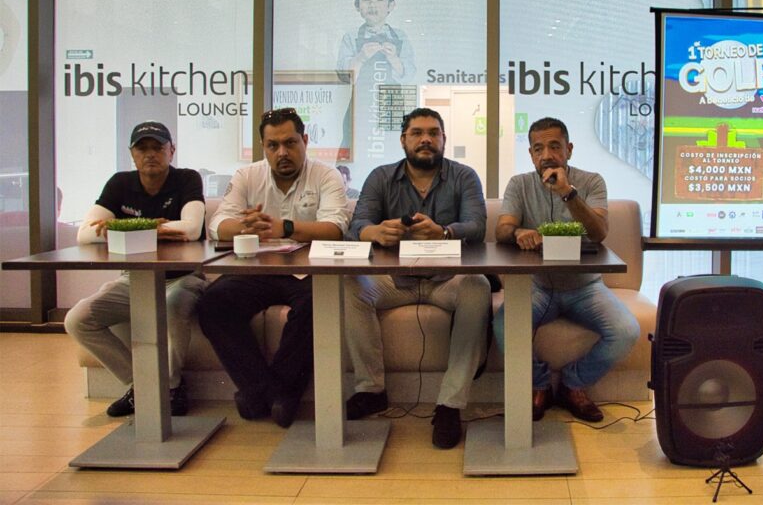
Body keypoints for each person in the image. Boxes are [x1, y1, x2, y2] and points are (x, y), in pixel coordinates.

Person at [343, 107, 488, 449]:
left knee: (478, 286)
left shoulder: (464, 176)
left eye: (433, 133)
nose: (426, 139)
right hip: (395, 280)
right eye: (417, 133)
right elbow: (356, 226)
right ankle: (371, 390)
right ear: (403, 140)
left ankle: (450, 404)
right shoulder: (380, 177)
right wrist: (375, 231)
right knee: (350, 284)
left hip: (447, 279)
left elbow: (478, 227)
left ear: (443, 140)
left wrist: (445, 231)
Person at [197, 108, 349, 428]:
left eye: (291, 142)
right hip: (257, 268)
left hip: (308, 270)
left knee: (317, 303)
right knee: (212, 303)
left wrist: (286, 226)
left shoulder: (326, 175)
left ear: (305, 141)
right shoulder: (247, 176)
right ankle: (263, 389)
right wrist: (242, 226)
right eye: (273, 145)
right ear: (263, 147)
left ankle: (281, 391)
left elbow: (336, 229)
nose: (282, 152)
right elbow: (216, 226)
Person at [493, 117, 639, 423]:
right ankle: (539, 384)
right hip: (537, 287)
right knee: (502, 325)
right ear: (531, 155)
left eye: (554, 146)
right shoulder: (519, 184)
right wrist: (518, 232)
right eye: (538, 148)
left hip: (584, 288)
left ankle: (573, 384)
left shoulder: (591, 181)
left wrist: (568, 192)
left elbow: (598, 233)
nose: (546, 154)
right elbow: (502, 229)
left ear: (568, 150)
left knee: (626, 331)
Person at [64, 121, 206, 418]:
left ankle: (171, 386)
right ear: (132, 153)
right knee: (77, 319)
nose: (150, 154)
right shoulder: (120, 183)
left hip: (182, 278)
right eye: (143, 148)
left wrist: (121, 228)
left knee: (172, 304)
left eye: (158, 147)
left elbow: (191, 229)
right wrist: (156, 227)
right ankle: (141, 387)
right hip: (133, 281)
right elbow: (85, 234)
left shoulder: (187, 179)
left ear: (172, 150)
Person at [336, 0, 416, 161]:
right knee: (355, 146)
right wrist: (361, 57)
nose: (373, 5)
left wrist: (394, 59)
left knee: (394, 150)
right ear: (357, 5)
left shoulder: (400, 36)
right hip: (360, 105)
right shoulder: (351, 37)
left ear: (391, 5)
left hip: (391, 104)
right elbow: (344, 77)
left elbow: (408, 73)